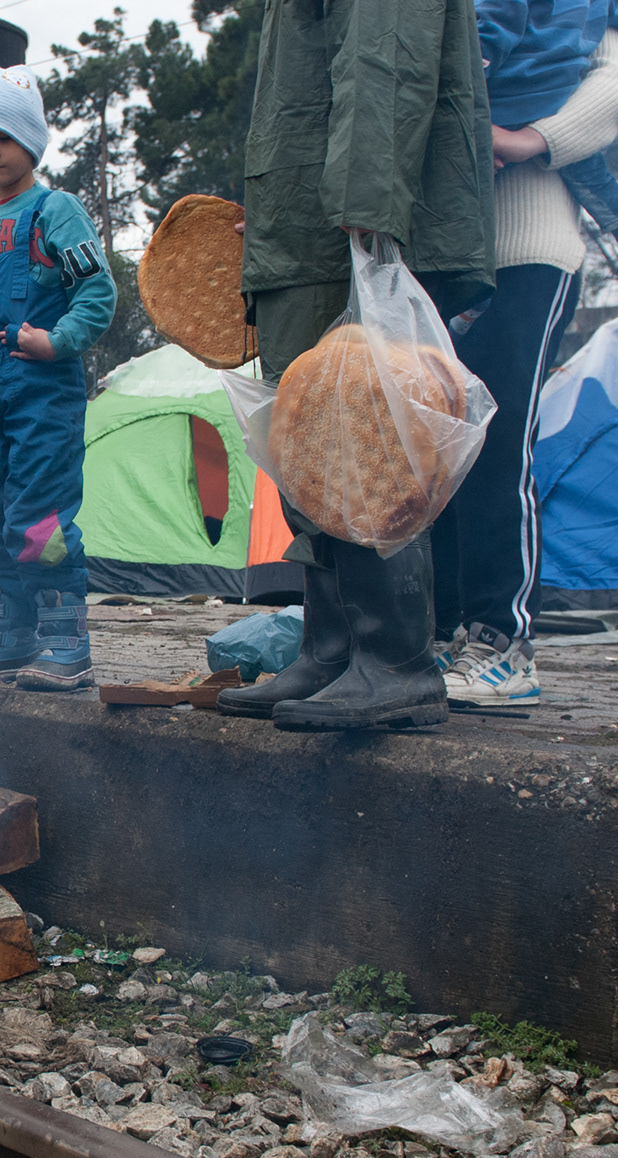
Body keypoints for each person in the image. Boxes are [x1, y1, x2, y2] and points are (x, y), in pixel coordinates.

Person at [213, 0, 496, 731]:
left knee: (367, 429)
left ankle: (394, 657)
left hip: (348, 211)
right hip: (305, 218)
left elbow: (386, 51)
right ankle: (331, 648)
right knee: (307, 440)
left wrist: (369, 195)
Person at [434, 20, 618, 708]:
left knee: (495, 441)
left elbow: (617, 85)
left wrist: (530, 140)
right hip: (438, 252)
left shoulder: (573, 9)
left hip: (528, 245)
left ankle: (500, 641)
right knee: (427, 446)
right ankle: (435, 634)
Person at [0, 58, 116, 691]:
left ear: (31, 142)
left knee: (38, 519)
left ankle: (66, 644)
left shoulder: (55, 212)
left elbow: (97, 293)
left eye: (3, 138)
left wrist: (58, 340)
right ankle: (7, 641)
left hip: (43, 403)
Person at [477, 0, 618, 328]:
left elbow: (491, 26)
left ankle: (472, 298)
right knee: (580, 157)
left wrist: (472, 68)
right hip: (560, 83)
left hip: (503, 94)